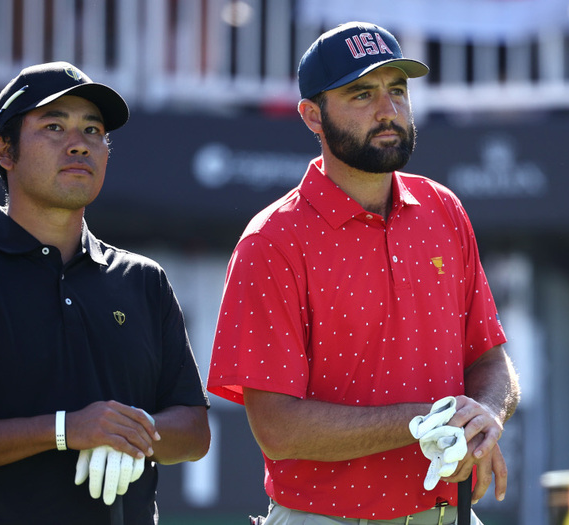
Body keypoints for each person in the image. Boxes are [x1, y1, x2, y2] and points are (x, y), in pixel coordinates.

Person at [206, 22, 520, 525]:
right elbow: (278, 429)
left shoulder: (445, 209)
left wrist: (483, 414)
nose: (387, 109)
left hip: (444, 516)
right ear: (312, 115)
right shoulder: (270, 242)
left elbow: (490, 358)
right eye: (361, 94)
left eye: (397, 90)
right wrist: (428, 420)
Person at [0, 61, 210, 525]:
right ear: (4, 150)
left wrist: (129, 433)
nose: (79, 142)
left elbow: (194, 430)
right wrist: (64, 430)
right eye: (54, 126)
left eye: (93, 129)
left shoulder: (144, 281)